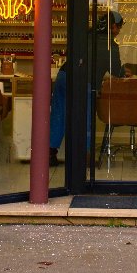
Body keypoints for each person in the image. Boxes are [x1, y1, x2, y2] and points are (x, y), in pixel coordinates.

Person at [49, 9, 127, 167]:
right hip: (84, 82)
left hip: (64, 76)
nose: (118, 31)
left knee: (58, 114)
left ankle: (50, 154)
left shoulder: (86, 36)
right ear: (112, 27)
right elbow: (116, 71)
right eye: (118, 28)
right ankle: (85, 157)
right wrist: (125, 71)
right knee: (86, 118)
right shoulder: (110, 44)